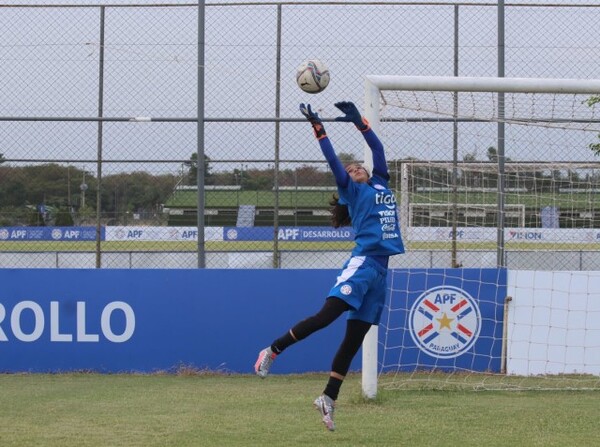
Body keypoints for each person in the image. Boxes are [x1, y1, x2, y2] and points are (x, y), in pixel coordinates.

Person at [254, 101, 405, 431]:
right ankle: (273, 349)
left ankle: (328, 398)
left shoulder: (381, 181)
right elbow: (333, 161)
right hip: (363, 265)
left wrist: (360, 123)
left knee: (353, 341)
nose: (355, 169)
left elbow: (376, 147)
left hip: (380, 274)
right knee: (326, 317)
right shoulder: (352, 191)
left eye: (357, 167)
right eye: (351, 171)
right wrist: (319, 128)